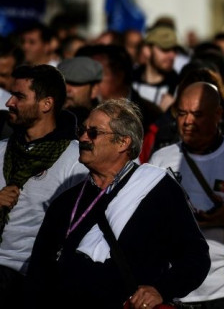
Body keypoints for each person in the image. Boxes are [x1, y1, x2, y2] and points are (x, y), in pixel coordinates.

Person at [27, 99, 210, 308]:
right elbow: (38, 274)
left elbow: (195, 258)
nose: (83, 138)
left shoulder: (157, 189)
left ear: (123, 142)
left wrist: (161, 290)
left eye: (94, 132)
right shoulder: (65, 202)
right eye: (83, 130)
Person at [149, 82, 224, 308]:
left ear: (218, 114)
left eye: (197, 114)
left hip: (221, 290)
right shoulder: (159, 160)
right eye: (182, 113)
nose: (187, 122)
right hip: (171, 289)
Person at [0, 65, 87, 304]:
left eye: (19, 96)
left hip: (32, 283)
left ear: (46, 104)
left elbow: (79, 228)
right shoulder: (1, 150)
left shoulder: (75, 161)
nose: (9, 102)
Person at [132, 26, 182, 108]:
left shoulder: (178, 87)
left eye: (175, 50)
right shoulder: (128, 80)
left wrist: (172, 112)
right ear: (147, 50)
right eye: (165, 49)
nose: (172, 55)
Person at [57, 56, 103, 126]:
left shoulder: (104, 123)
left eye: (74, 84)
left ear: (94, 90)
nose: (66, 89)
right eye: (62, 82)